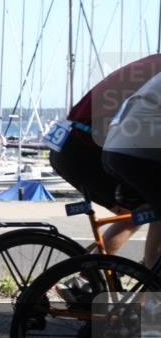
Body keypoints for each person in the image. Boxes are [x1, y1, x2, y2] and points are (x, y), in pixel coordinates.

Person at [49, 55, 161, 256]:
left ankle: (89, 277)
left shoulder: (152, 63)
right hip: (83, 146)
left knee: (136, 212)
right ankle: (149, 280)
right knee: (147, 209)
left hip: (67, 142)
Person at [103, 70, 161, 270]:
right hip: (140, 151)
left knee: (153, 212)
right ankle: (154, 279)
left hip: (117, 149)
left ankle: (152, 275)